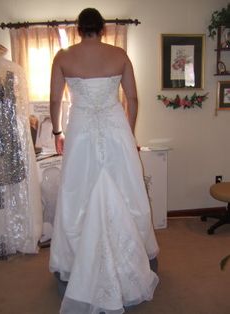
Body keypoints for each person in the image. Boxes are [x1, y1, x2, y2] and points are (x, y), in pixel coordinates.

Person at [49, 8, 159, 314]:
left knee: (78, 192)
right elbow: (133, 98)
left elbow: (56, 100)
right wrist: (129, 130)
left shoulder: (63, 56)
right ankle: (128, 260)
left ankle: (78, 262)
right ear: (102, 28)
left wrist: (57, 131)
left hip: (81, 129)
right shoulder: (119, 54)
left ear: (78, 29)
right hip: (115, 129)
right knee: (125, 189)